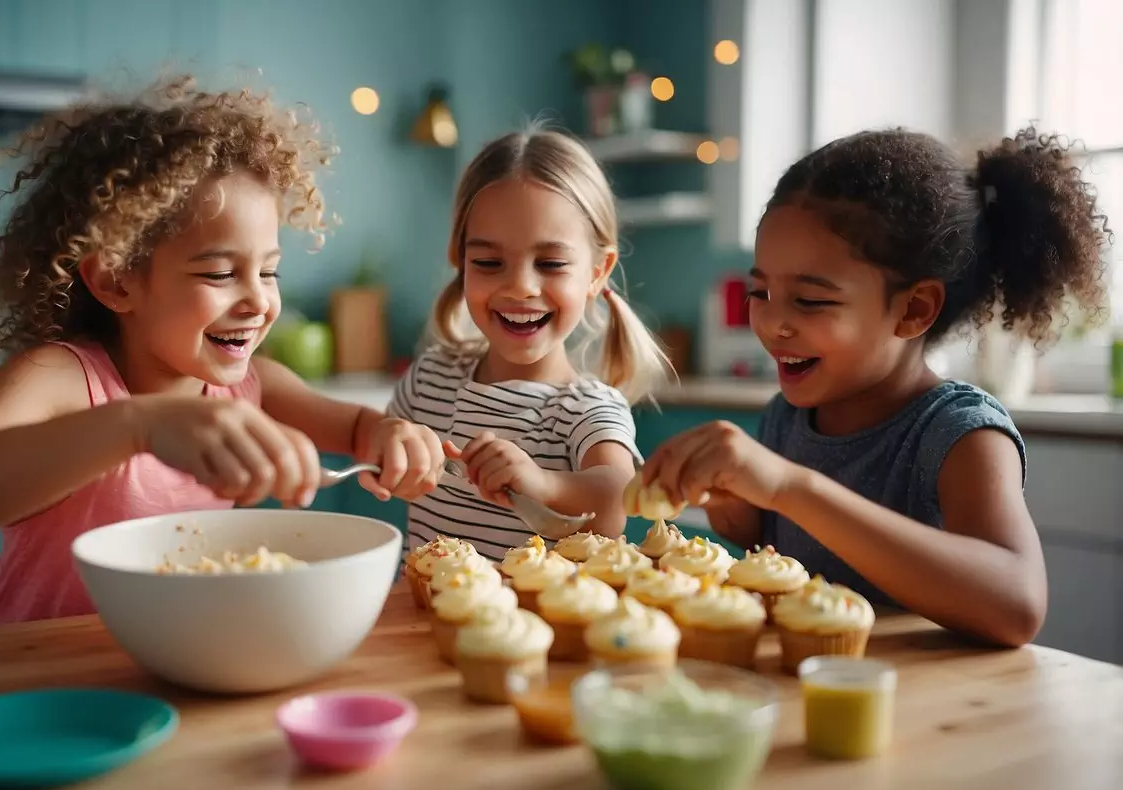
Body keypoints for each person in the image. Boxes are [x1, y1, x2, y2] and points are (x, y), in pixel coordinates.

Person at [0, 76, 443, 624]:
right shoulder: (61, 378)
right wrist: (139, 424)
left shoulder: (252, 385)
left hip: (172, 667)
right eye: (219, 273)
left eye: (269, 271)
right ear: (117, 282)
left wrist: (390, 435)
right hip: (40, 682)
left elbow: (357, 431)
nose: (259, 300)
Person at [643, 126, 1110, 646]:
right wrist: (732, 503)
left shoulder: (960, 436)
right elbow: (770, 542)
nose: (773, 324)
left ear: (913, 310)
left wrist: (791, 487)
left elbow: (1017, 606)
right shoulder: (787, 417)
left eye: (811, 301)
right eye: (760, 291)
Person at [388, 126, 672, 560]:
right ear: (460, 261)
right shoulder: (429, 378)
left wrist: (541, 482)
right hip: (424, 625)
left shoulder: (587, 408)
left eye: (551, 263)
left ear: (598, 270)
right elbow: (381, 449)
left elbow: (615, 500)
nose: (521, 287)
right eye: (488, 262)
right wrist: (388, 457)